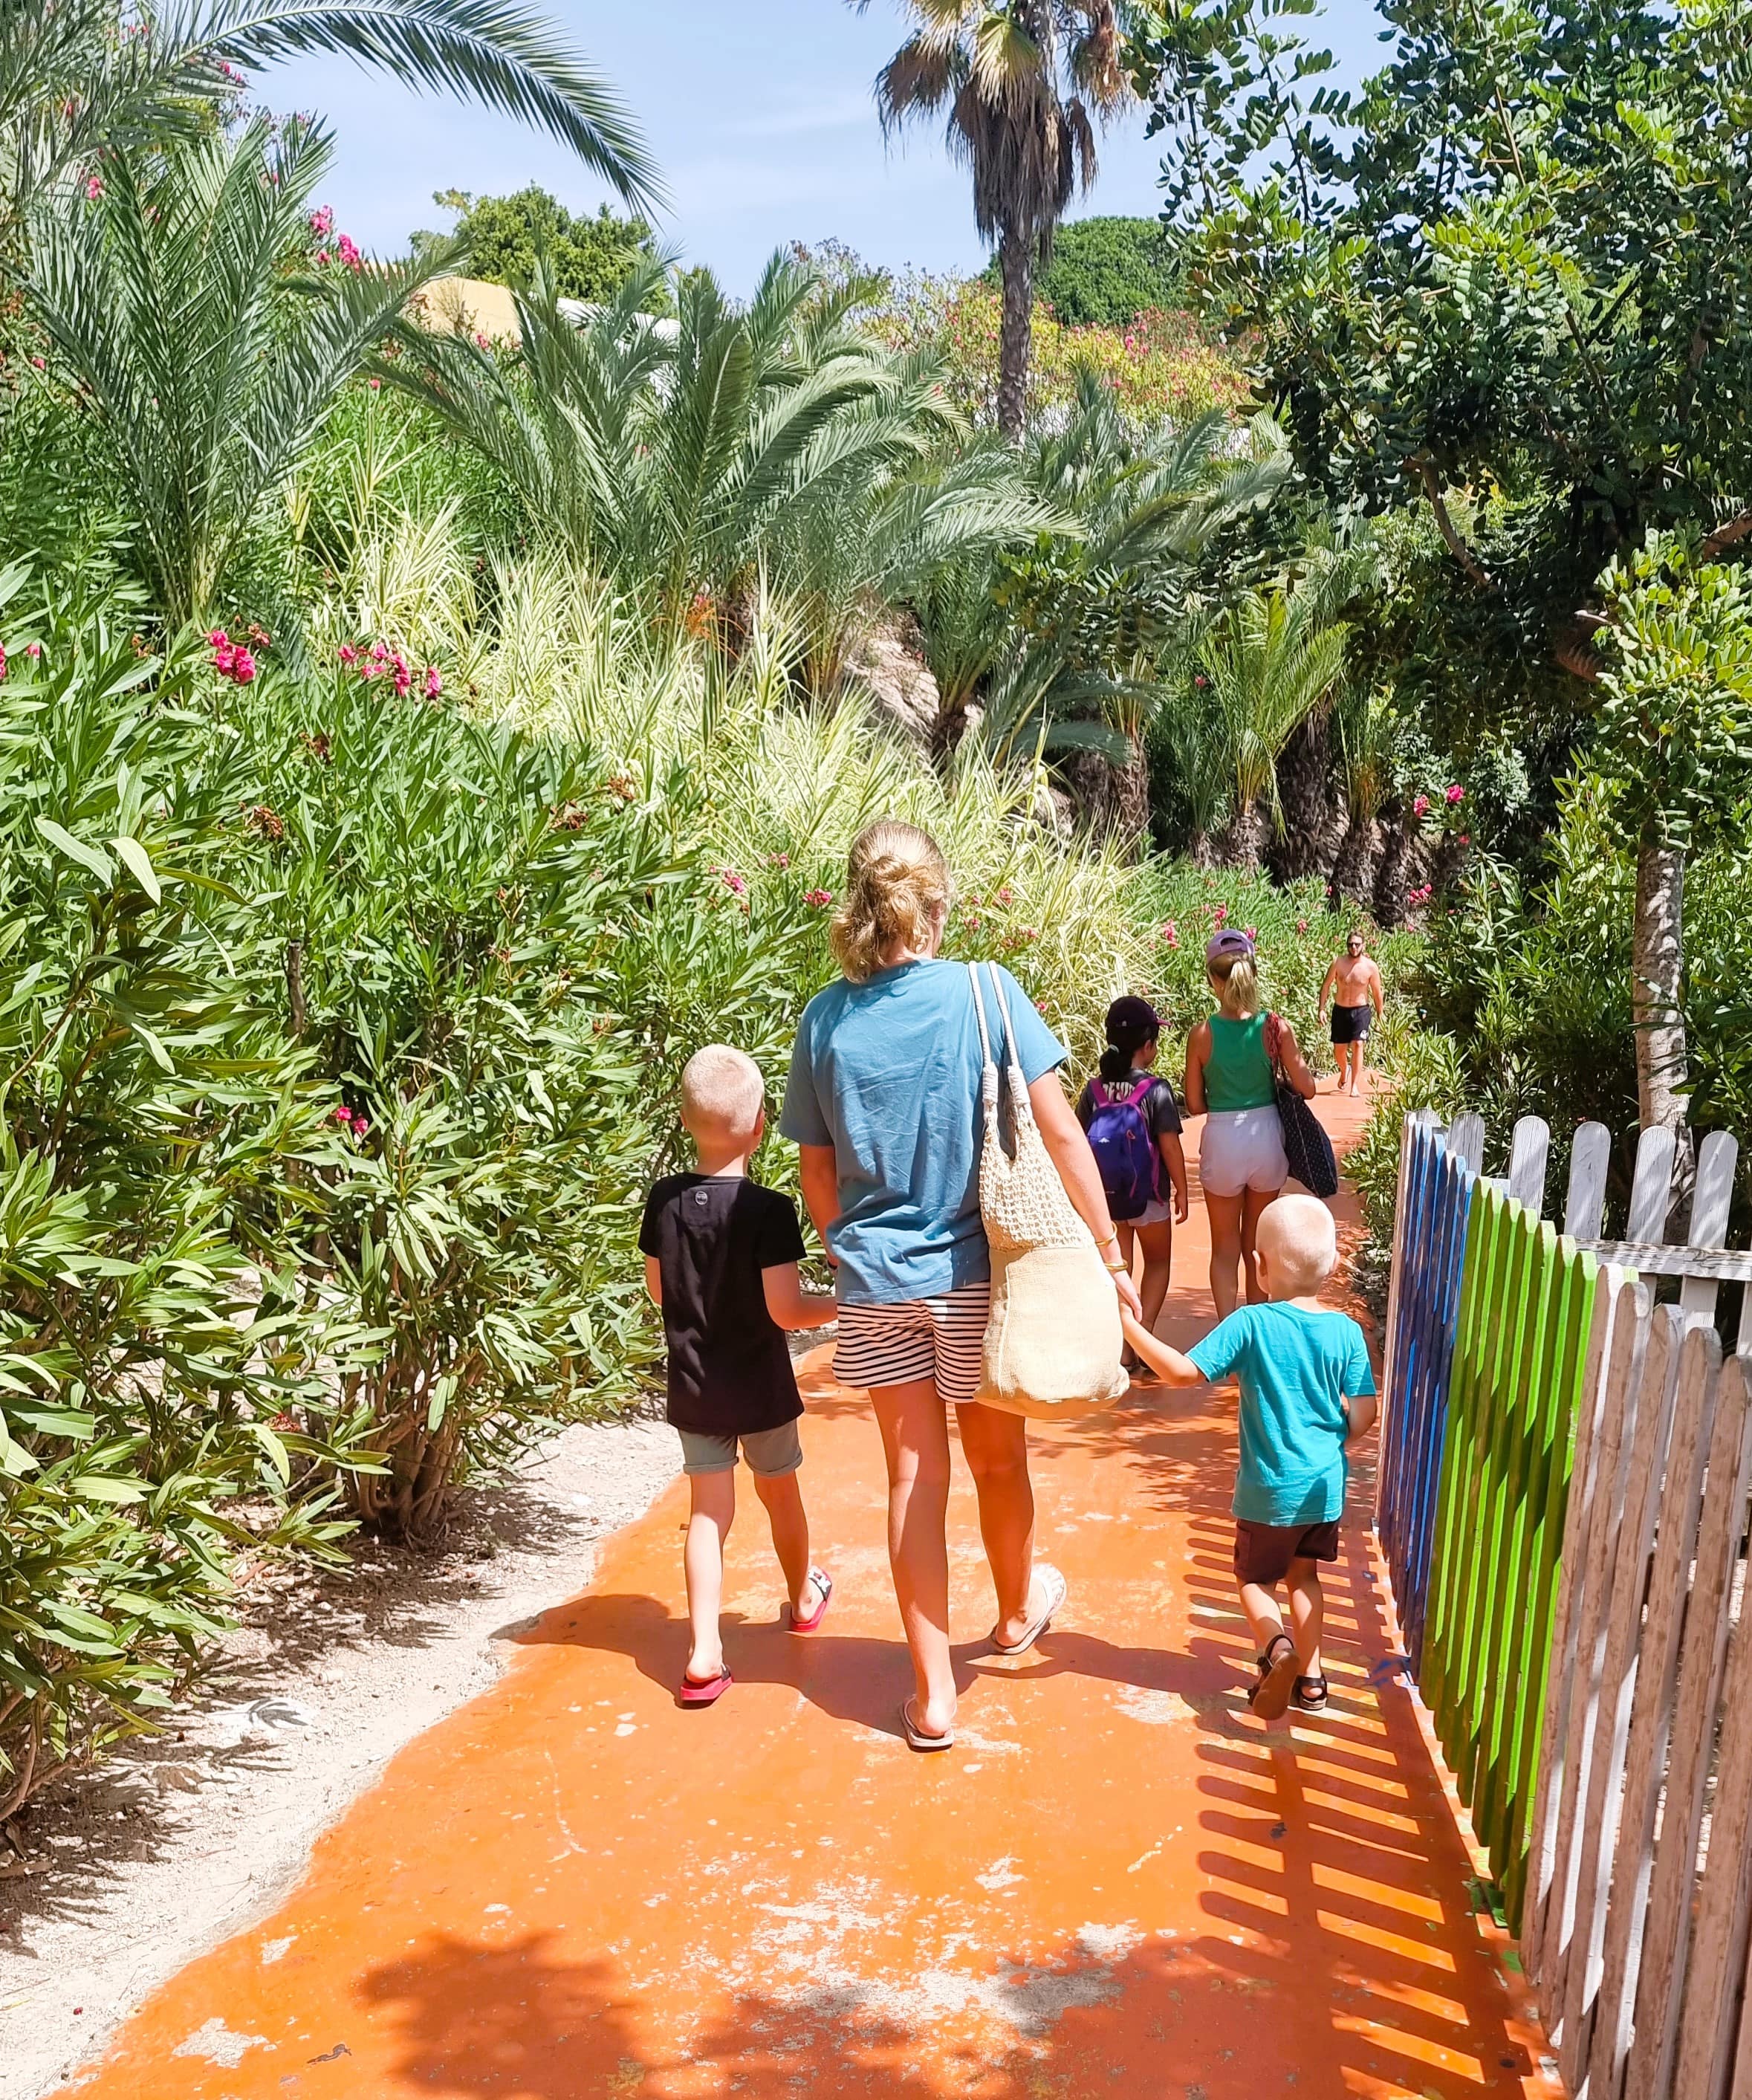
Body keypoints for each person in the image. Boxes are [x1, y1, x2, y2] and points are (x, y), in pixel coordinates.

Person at [780, 820, 1141, 1752]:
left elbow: (818, 1176)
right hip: (979, 1276)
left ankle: (934, 1696)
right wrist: (1109, 1255)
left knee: (912, 1475)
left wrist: (856, 1254)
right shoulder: (987, 991)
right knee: (997, 1461)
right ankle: (1016, 1614)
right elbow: (1061, 1133)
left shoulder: (824, 1019)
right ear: (934, 907)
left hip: (878, 1277)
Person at [1118, 1195, 1378, 1719]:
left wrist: (1129, 1329)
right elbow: (1366, 1414)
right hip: (1324, 1488)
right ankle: (1312, 1682)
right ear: (1332, 1264)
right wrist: (1332, 1444)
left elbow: (1182, 1374)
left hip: (1269, 1490)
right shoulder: (1347, 1332)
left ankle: (1277, 1649)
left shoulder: (1251, 1323)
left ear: (1259, 1266)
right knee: (1306, 1577)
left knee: (1255, 1581)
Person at [640, 1044, 839, 1708]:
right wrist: (846, 1303)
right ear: (760, 1125)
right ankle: (802, 1597)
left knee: (708, 1512)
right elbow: (788, 1311)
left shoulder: (663, 1201)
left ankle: (703, 1652)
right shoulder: (769, 1211)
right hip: (760, 1386)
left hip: (696, 1385)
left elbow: (660, 1292)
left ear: (685, 1119)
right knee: (780, 1494)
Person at [1184, 930, 1318, 1319]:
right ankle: (1257, 1329)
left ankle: (1229, 1332)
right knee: (1257, 1247)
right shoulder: (1275, 1027)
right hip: (1266, 1139)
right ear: (1253, 973)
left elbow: (1194, 1105)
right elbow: (1308, 1088)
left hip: (1223, 1139)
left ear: (1213, 979)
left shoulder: (1202, 1034)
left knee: (1224, 1250)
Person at [1075, 996, 1190, 1370]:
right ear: (1148, 1045)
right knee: (1157, 1262)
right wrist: (1182, 1190)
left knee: (1120, 1269)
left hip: (1107, 1200)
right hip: (1149, 1196)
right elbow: (1169, 1146)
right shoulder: (1156, 1090)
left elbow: (1077, 1142)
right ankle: (1144, 1335)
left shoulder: (1093, 1091)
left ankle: (1124, 1346)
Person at [1319, 929, 1385, 1097]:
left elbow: (1377, 992)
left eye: (1357, 944)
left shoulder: (1371, 967)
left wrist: (1380, 1014)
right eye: (1350, 944)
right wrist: (1321, 1009)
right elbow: (1326, 986)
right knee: (1339, 1050)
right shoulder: (1338, 963)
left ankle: (1354, 1086)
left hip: (1361, 1010)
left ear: (1363, 945)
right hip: (1340, 1010)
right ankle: (1344, 1070)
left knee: (1358, 1044)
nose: (1353, 947)